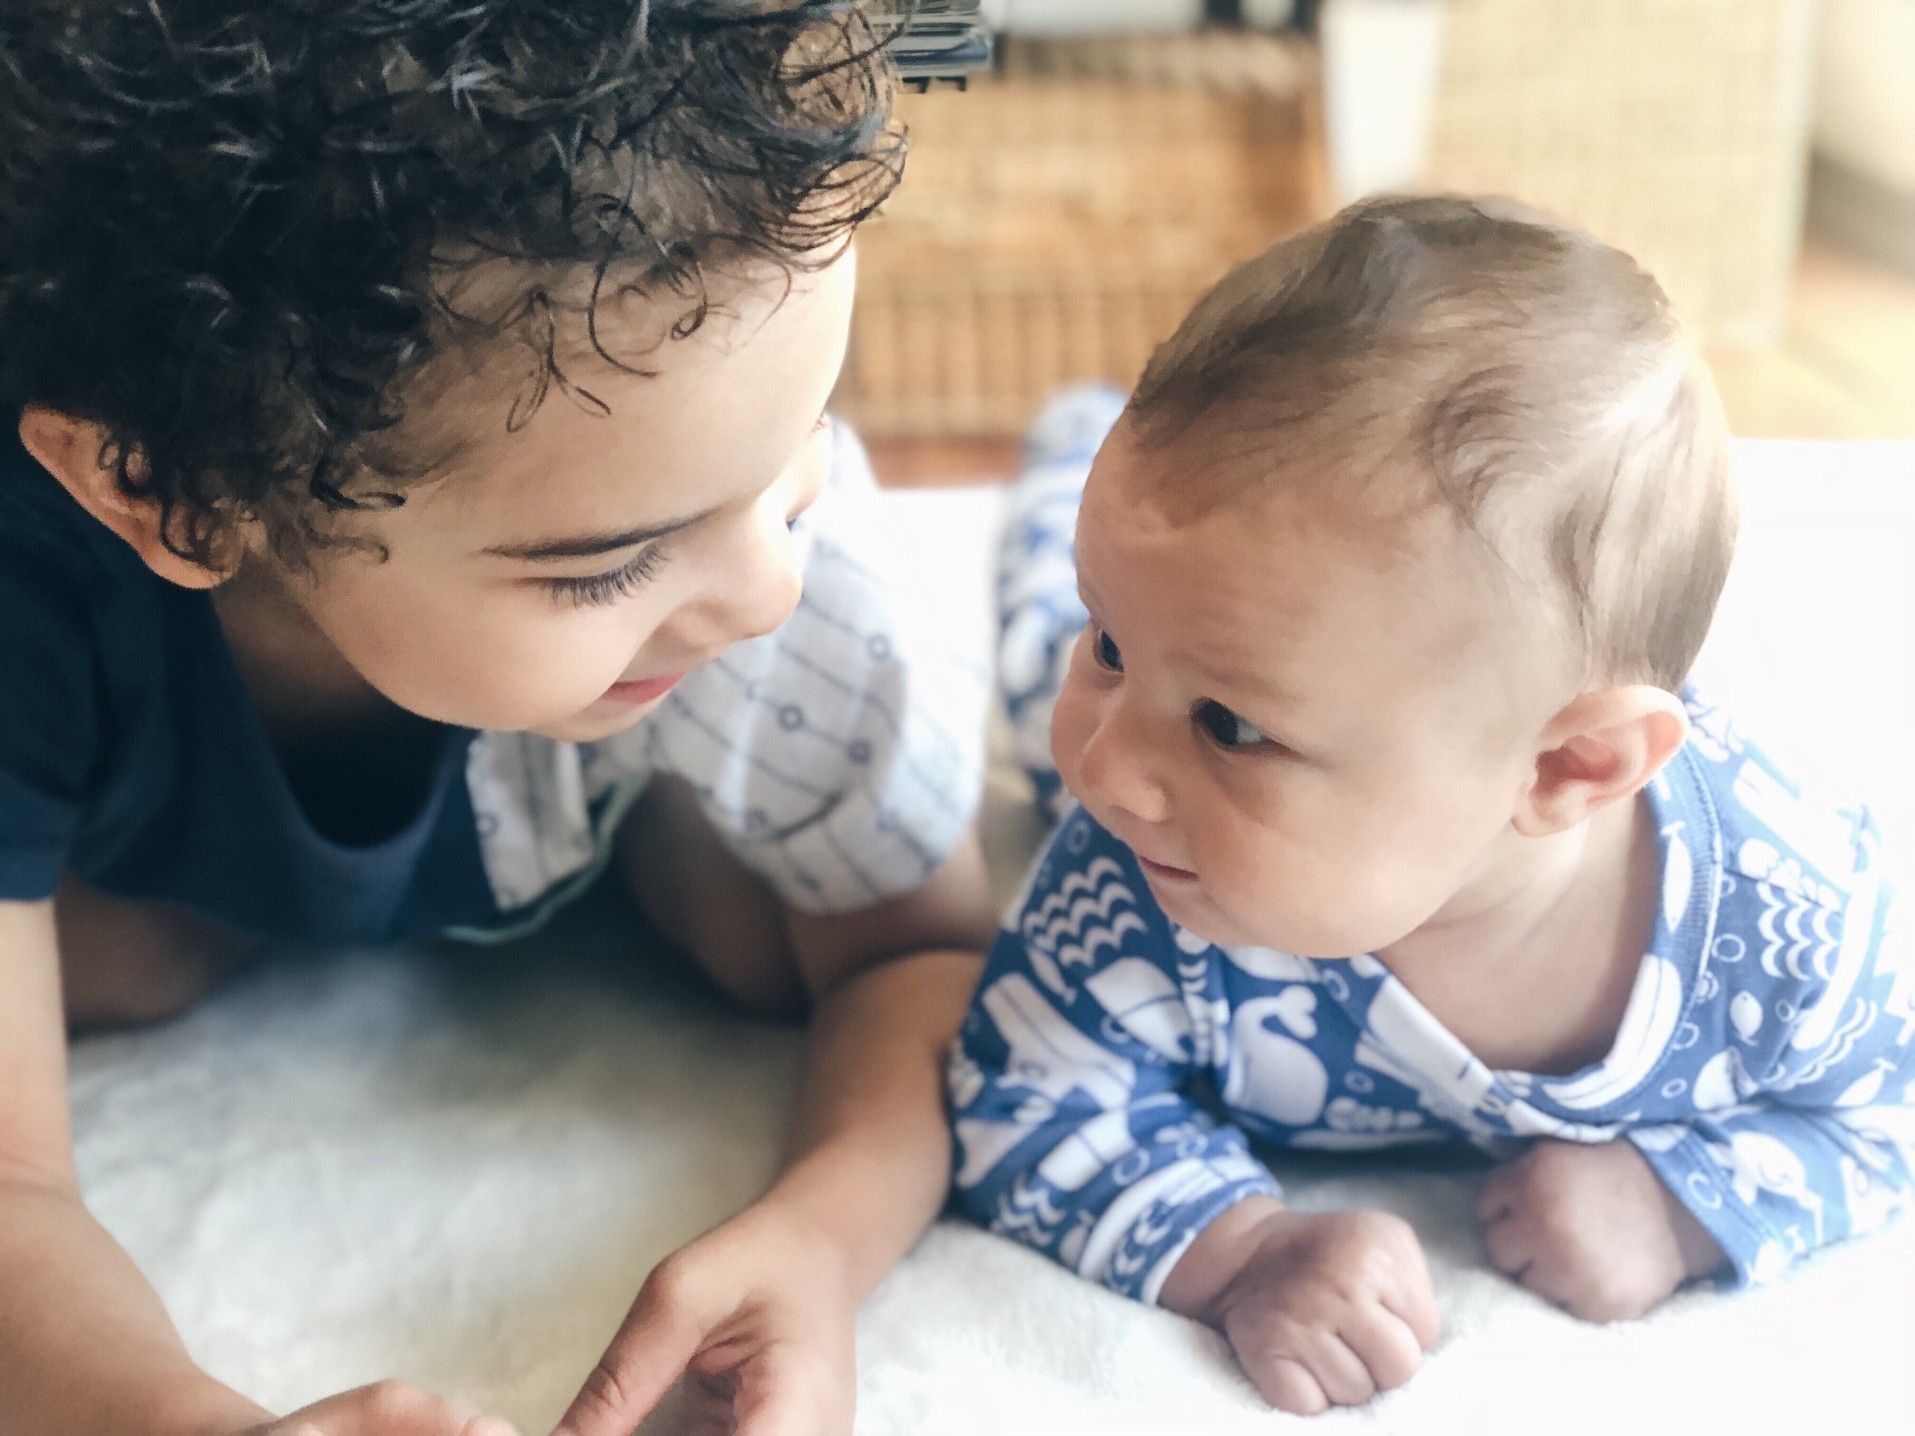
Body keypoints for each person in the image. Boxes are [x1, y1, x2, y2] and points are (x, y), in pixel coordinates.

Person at [0, 5, 996, 1435]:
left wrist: (819, 1240)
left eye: (798, 455)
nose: (766, 590)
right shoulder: (40, 594)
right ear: (174, 496)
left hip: (570, 804)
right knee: (120, 961)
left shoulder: (792, 595)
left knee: (764, 946)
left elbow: (920, 959)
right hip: (135, 814)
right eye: (606, 562)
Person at [952, 196, 1915, 1416]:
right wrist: (1240, 1247)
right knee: (1049, 656)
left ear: (1566, 769)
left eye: (1233, 725)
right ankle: (1069, 491)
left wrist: (1684, 1204)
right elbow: (1022, 1090)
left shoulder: (1799, 927)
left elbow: (1890, 1108)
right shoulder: (1139, 877)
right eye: (1118, 646)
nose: (1108, 768)